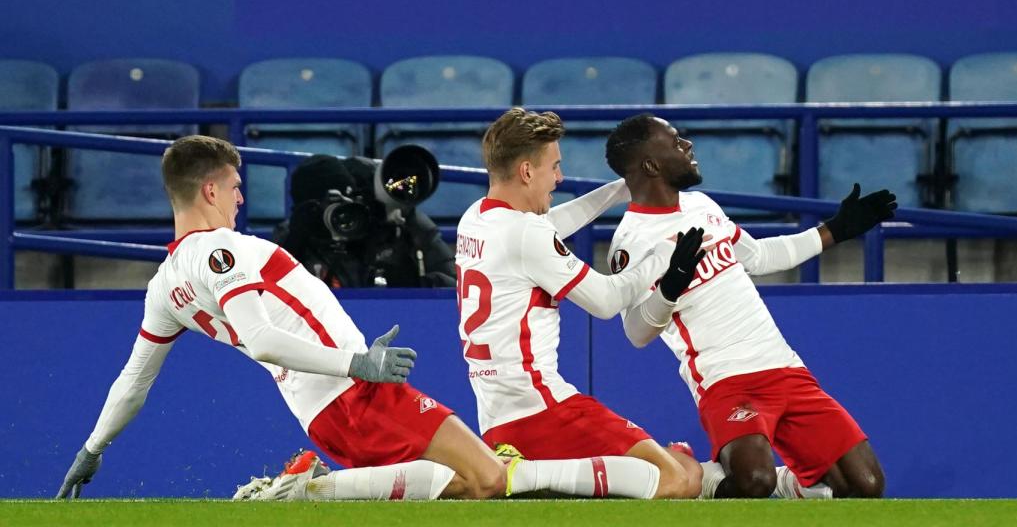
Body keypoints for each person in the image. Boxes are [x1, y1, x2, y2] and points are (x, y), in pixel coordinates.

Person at [55, 135, 519, 501]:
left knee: (461, 483)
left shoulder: (163, 286)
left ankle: (314, 488)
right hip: (352, 393)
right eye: (235, 187)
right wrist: (357, 364)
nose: (240, 199)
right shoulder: (221, 249)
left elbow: (134, 380)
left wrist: (92, 449)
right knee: (487, 479)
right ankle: (308, 491)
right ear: (210, 189)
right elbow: (260, 339)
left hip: (323, 411)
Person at [604, 114, 894, 499]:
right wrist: (669, 289)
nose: (688, 146)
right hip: (725, 381)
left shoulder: (701, 205)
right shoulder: (630, 243)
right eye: (675, 143)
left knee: (865, 485)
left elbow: (756, 256)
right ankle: (692, 475)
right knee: (754, 482)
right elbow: (636, 333)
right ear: (651, 165)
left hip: (784, 367)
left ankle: (792, 485)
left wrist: (835, 230)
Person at [454, 108, 706, 499]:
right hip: (544, 409)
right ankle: (521, 476)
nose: (560, 178)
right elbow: (605, 302)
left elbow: (549, 224)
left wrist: (621, 187)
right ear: (525, 172)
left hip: (500, 417)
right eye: (554, 167)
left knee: (678, 473)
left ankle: (527, 473)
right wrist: (663, 257)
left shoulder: (476, 219)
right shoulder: (525, 234)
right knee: (677, 479)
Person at [274, 153, 456, 288]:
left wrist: (413, 283)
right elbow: (258, 297)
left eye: (346, 202)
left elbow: (455, 287)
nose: (343, 217)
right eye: (327, 207)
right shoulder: (294, 236)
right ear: (307, 211)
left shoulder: (388, 222)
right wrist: (294, 245)